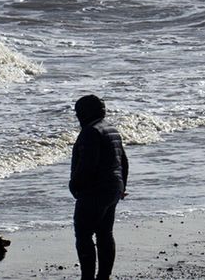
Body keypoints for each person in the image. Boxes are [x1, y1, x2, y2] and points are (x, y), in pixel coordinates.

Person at [69, 94, 129, 280]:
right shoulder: (111, 129)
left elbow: (88, 164)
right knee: (105, 233)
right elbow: (123, 161)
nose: (78, 117)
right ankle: (104, 276)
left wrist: (75, 185)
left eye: (79, 113)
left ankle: (87, 277)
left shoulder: (90, 132)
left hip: (95, 190)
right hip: (113, 188)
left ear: (85, 113)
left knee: (84, 234)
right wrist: (122, 186)